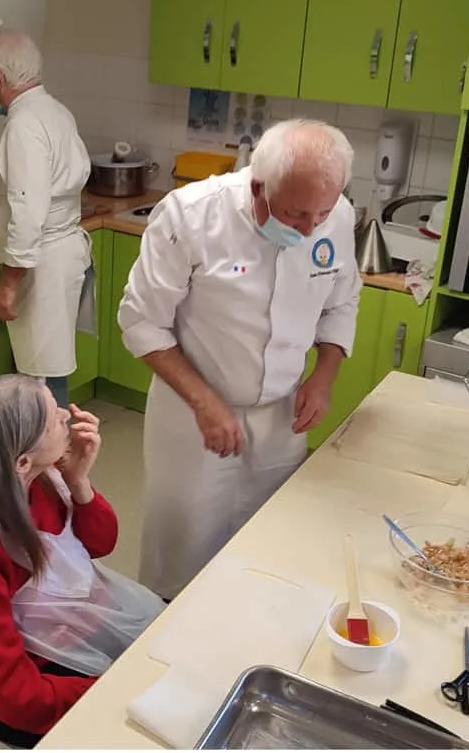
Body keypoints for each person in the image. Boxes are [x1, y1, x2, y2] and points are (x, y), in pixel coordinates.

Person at [118, 119, 362, 601]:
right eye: (295, 215)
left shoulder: (335, 215)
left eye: (322, 213)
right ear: (257, 186)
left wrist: (324, 374)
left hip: (281, 417)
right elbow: (141, 322)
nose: (311, 228)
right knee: (182, 553)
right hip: (192, 415)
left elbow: (341, 302)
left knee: (265, 544)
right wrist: (204, 402)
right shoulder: (191, 216)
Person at [0, 375, 164, 748]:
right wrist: (116, 690)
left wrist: (79, 481)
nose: (67, 414)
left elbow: (100, 544)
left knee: (172, 647)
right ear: (22, 460)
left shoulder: (38, 477)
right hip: (2, 688)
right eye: (54, 418)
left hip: (63, 628)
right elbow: (15, 699)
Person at [0, 30, 93, 409]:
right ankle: (47, 455)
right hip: (58, 252)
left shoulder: (23, 126)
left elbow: (28, 211)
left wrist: (8, 284)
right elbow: (35, 174)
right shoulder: (53, 110)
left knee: (41, 376)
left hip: (39, 262)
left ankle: (53, 460)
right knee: (43, 365)